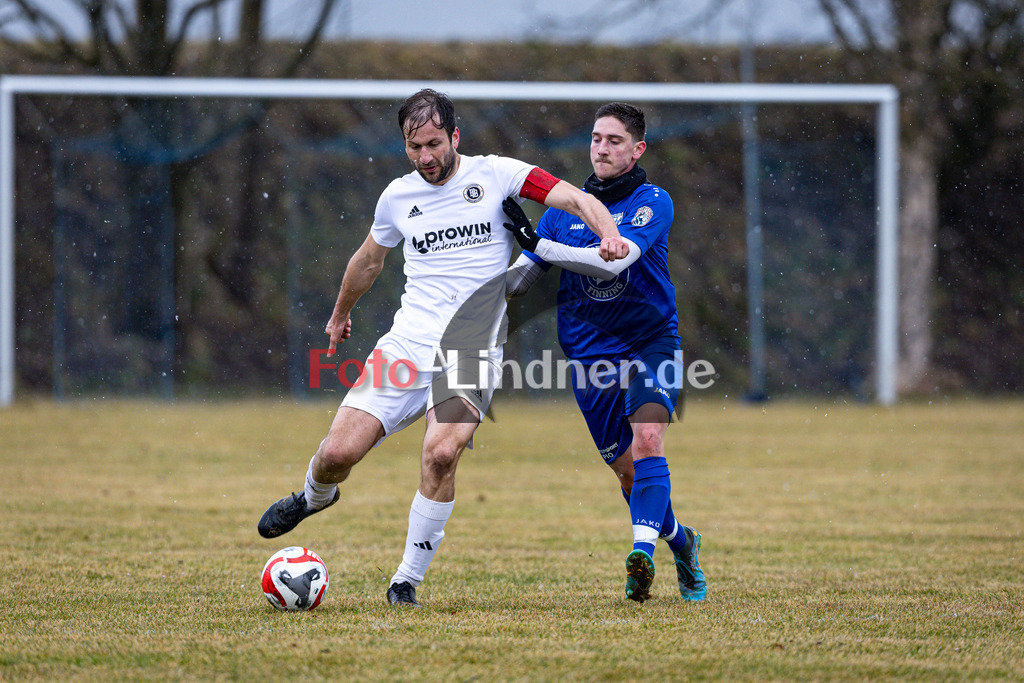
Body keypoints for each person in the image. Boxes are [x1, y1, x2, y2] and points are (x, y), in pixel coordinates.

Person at [258, 88, 628, 607]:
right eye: (414, 147)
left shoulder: (498, 174)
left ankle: (405, 581)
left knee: (441, 453)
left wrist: (608, 234)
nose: (426, 157)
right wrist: (340, 315)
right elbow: (368, 261)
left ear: (455, 135)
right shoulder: (397, 197)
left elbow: (577, 199)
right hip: (406, 346)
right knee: (336, 455)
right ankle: (313, 498)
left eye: (434, 144)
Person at [503, 102, 706, 602]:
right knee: (629, 472)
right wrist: (475, 273)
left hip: (649, 344)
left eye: (614, 141)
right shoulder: (562, 211)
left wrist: (541, 246)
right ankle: (682, 542)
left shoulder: (652, 202)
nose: (602, 148)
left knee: (649, 438)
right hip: (590, 360)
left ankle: (642, 554)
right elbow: (520, 283)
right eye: (596, 139)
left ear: (638, 150)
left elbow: (613, 264)